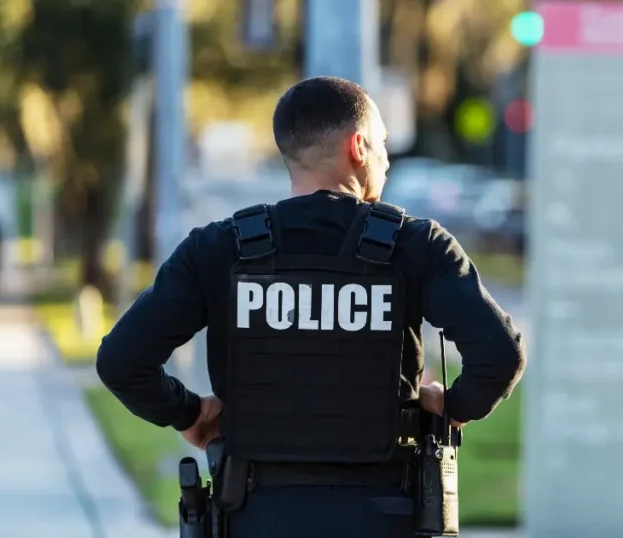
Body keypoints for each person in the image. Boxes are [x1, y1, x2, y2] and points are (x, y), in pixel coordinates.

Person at [96, 76, 526, 538]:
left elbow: (123, 361)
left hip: (254, 515)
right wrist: (451, 407)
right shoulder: (417, 246)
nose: (385, 162)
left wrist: (189, 414)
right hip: (384, 515)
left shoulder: (220, 248)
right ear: (358, 147)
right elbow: (499, 356)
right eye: (382, 146)